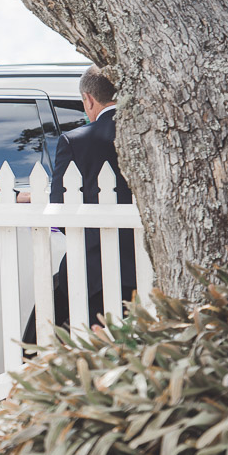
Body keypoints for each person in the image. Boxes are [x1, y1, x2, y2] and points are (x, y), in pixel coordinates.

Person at [43, 65, 136, 333]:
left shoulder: (75, 141)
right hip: (149, 264)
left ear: (89, 99)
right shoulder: (152, 132)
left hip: (97, 271)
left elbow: (61, 212)